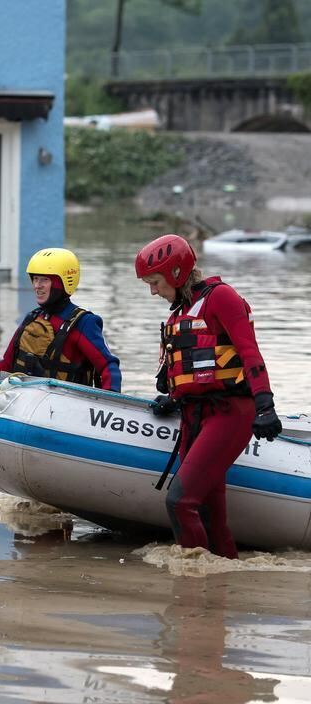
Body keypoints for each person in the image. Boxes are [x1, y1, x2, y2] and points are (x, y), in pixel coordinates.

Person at [136, 233, 282, 559]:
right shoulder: (179, 314)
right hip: (194, 416)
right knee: (208, 513)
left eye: (155, 282)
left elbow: (249, 352)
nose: (152, 291)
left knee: (180, 501)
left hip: (230, 414)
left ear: (176, 273)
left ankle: (192, 579)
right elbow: (193, 371)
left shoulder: (221, 298)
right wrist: (173, 399)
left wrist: (265, 403)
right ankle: (218, 588)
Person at [0, 247, 122, 393]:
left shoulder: (84, 323)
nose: (37, 286)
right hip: (27, 402)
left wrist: (111, 400)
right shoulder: (32, 318)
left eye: (44, 280)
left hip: (67, 405)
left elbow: (108, 367)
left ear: (63, 282)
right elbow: (8, 364)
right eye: (35, 279)